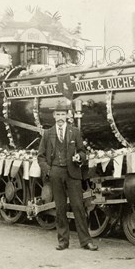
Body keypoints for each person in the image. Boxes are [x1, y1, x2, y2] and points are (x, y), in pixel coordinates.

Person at [37, 100, 98, 251]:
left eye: (62, 114)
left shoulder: (74, 132)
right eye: (57, 114)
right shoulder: (47, 133)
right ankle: (63, 241)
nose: (60, 117)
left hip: (73, 173)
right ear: (53, 115)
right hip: (56, 173)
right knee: (60, 208)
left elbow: (83, 151)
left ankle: (86, 241)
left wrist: (80, 157)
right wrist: (49, 170)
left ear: (67, 115)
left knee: (78, 207)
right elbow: (40, 156)